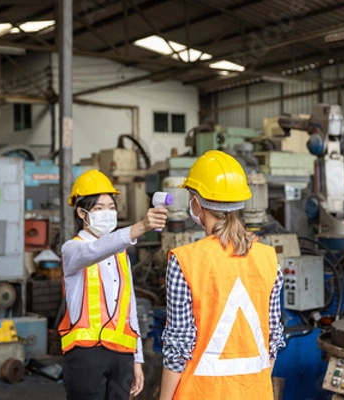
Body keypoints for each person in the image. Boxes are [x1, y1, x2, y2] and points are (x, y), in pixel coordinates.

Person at [159, 150, 286, 400]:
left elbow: (178, 348)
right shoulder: (269, 259)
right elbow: (273, 341)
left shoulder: (184, 260)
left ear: (196, 202)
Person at [60, 169, 168, 400]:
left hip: (122, 356)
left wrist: (137, 359)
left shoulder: (121, 255)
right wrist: (140, 227)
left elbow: (129, 310)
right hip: (86, 355)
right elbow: (94, 250)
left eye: (111, 207)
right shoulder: (72, 250)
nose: (107, 213)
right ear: (81, 212)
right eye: (99, 208)